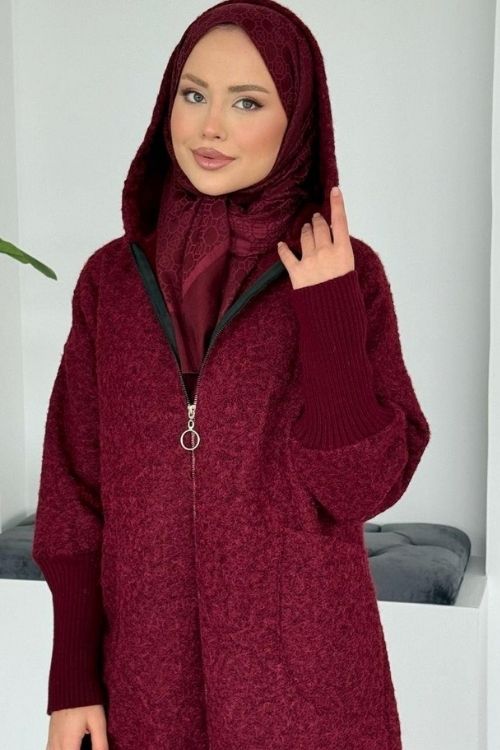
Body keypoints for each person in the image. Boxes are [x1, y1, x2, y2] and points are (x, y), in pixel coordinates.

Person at [32, 1, 431, 748]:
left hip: (305, 695)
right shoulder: (111, 283)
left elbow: (362, 488)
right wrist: (72, 681)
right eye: (194, 94)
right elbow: (72, 487)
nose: (210, 126)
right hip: (145, 687)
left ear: (297, 122)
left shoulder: (345, 274)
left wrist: (329, 315)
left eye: (247, 102)